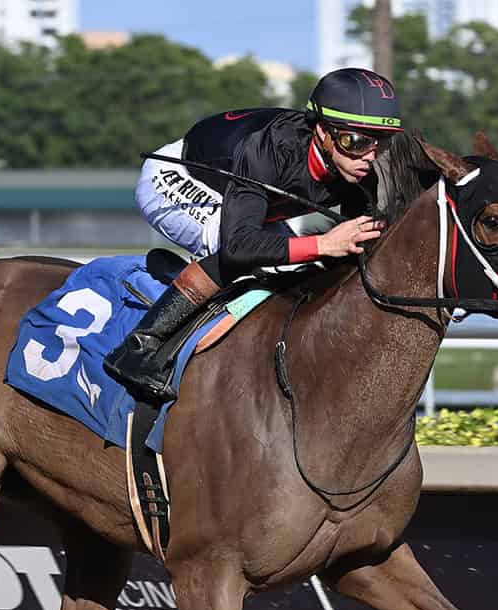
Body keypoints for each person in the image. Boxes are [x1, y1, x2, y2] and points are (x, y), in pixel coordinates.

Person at [104, 67, 404, 404]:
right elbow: (238, 246)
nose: (369, 156)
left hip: (240, 201)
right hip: (177, 176)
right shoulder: (270, 148)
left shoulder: (360, 167)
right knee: (243, 257)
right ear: (322, 132)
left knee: (291, 268)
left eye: (380, 143)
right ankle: (140, 347)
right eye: (355, 141)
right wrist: (323, 243)